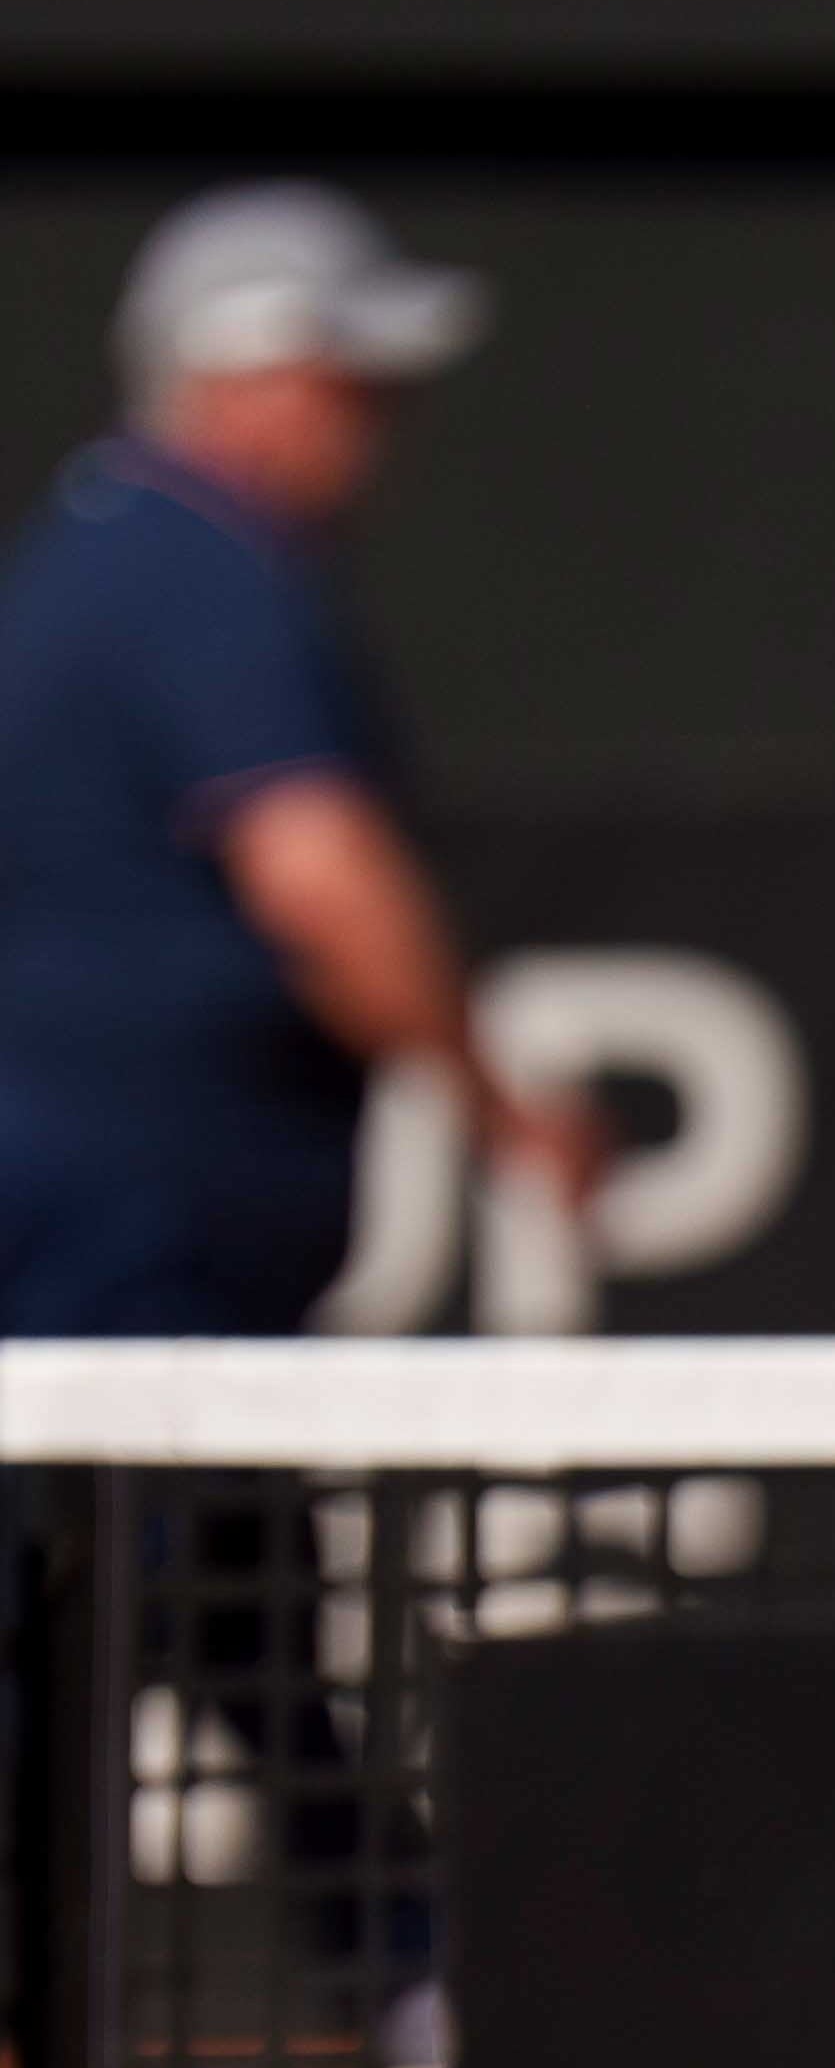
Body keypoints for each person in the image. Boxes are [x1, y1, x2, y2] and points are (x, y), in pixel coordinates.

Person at [0, 181, 594, 1336]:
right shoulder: (198, 568)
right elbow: (318, 877)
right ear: (250, 376)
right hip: (131, 1233)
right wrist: (503, 1111)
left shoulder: (91, 552)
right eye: (350, 383)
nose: (383, 422)